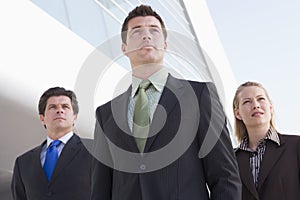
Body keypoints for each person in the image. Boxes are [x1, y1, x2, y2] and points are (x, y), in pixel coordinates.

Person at [91, 4, 241, 200]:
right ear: (124, 48)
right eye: (137, 31)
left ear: (165, 45)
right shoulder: (105, 114)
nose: (146, 35)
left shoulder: (200, 95)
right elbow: (100, 190)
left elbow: (226, 177)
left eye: (154, 30)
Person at [11, 87, 92, 200]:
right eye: (52, 107)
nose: (60, 110)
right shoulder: (23, 163)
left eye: (65, 107)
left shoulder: (94, 152)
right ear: (42, 118)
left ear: (75, 117)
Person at [233, 81, 300, 200]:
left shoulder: (296, 146)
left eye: (261, 99)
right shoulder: (231, 159)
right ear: (238, 113)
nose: (255, 105)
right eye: (247, 102)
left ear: (270, 107)